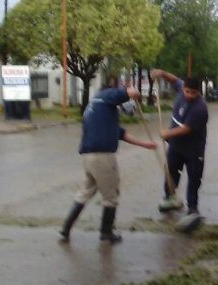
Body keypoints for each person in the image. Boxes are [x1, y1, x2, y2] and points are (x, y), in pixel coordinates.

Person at [58, 84, 157, 244]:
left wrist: (145, 144)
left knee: (85, 192)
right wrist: (133, 93)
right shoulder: (106, 96)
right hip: (103, 156)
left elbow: (120, 133)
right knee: (111, 196)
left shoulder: (96, 107)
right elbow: (126, 92)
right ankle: (106, 233)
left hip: (88, 156)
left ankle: (66, 228)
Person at [151, 69, 209, 216]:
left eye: (193, 93)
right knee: (170, 173)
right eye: (187, 91)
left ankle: (192, 207)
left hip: (194, 150)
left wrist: (167, 133)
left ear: (199, 93)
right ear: (183, 88)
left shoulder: (200, 108)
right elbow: (174, 79)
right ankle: (170, 198)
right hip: (176, 147)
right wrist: (162, 73)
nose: (189, 95)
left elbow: (186, 129)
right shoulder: (180, 88)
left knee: (194, 178)